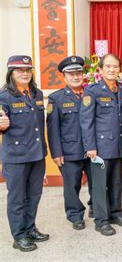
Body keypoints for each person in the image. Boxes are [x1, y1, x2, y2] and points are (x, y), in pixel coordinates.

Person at [0, 55, 49, 251]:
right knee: (17, 197)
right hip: (16, 157)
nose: (25, 73)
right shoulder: (3, 96)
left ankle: (30, 228)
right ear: (11, 73)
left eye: (28, 70)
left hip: (37, 154)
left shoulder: (37, 94)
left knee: (34, 195)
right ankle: (19, 235)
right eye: (20, 70)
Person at [80, 54, 122, 236]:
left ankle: (116, 213)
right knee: (100, 185)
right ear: (100, 69)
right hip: (100, 147)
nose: (111, 70)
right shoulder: (92, 91)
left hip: (117, 144)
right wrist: (90, 147)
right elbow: (86, 121)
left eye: (115, 67)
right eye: (108, 66)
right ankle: (101, 220)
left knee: (116, 182)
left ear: (119, 70)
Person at [47, 56, 93, 231]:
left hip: (92, 150)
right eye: (71, 74)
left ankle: (95, 207)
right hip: (69, 151)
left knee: (96, 182)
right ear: (64, 77)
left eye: (79, 73)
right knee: (72, 185)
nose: (76, 77)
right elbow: (53, 129)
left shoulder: (91, 94)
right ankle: (75, 215)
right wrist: (56, 152)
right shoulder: (56, 98)